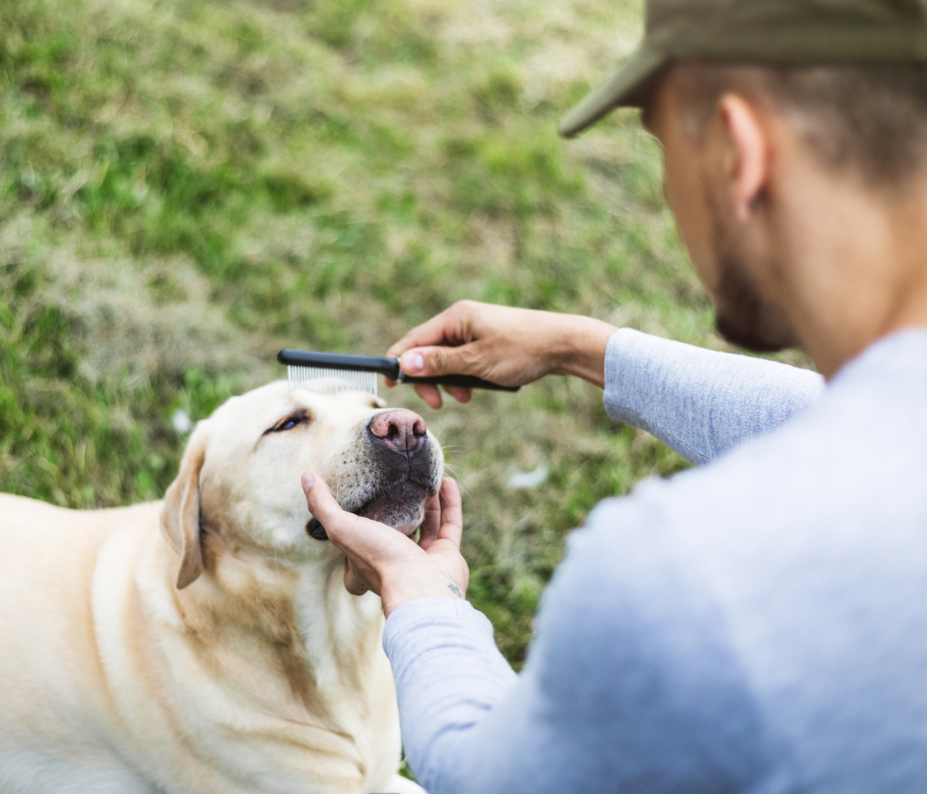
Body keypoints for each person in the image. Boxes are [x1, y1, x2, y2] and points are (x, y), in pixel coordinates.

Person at [300, 1, 927, 792]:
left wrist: (424, 599)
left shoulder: (686, 580)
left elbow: (487, 778)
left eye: (665, 150)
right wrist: (579, 348)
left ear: (739, 154)